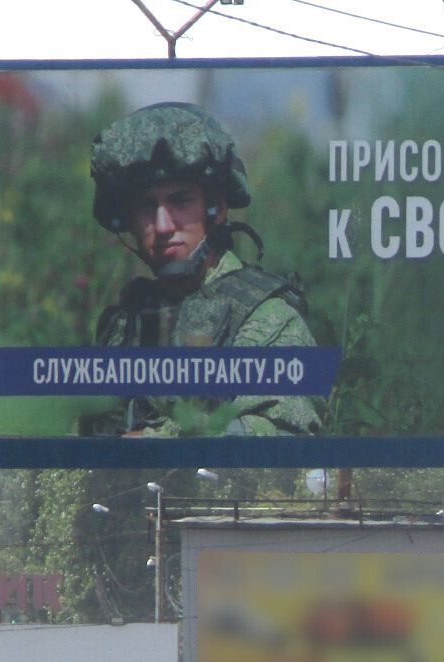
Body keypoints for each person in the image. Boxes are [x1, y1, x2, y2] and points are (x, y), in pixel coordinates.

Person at [86, 102, 320, 437]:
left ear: (218, 209)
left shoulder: (266, 319)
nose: (163, 225)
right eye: (146, 206)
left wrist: (160, 442)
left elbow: (284, 433)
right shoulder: (124, 325)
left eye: (180, 201)